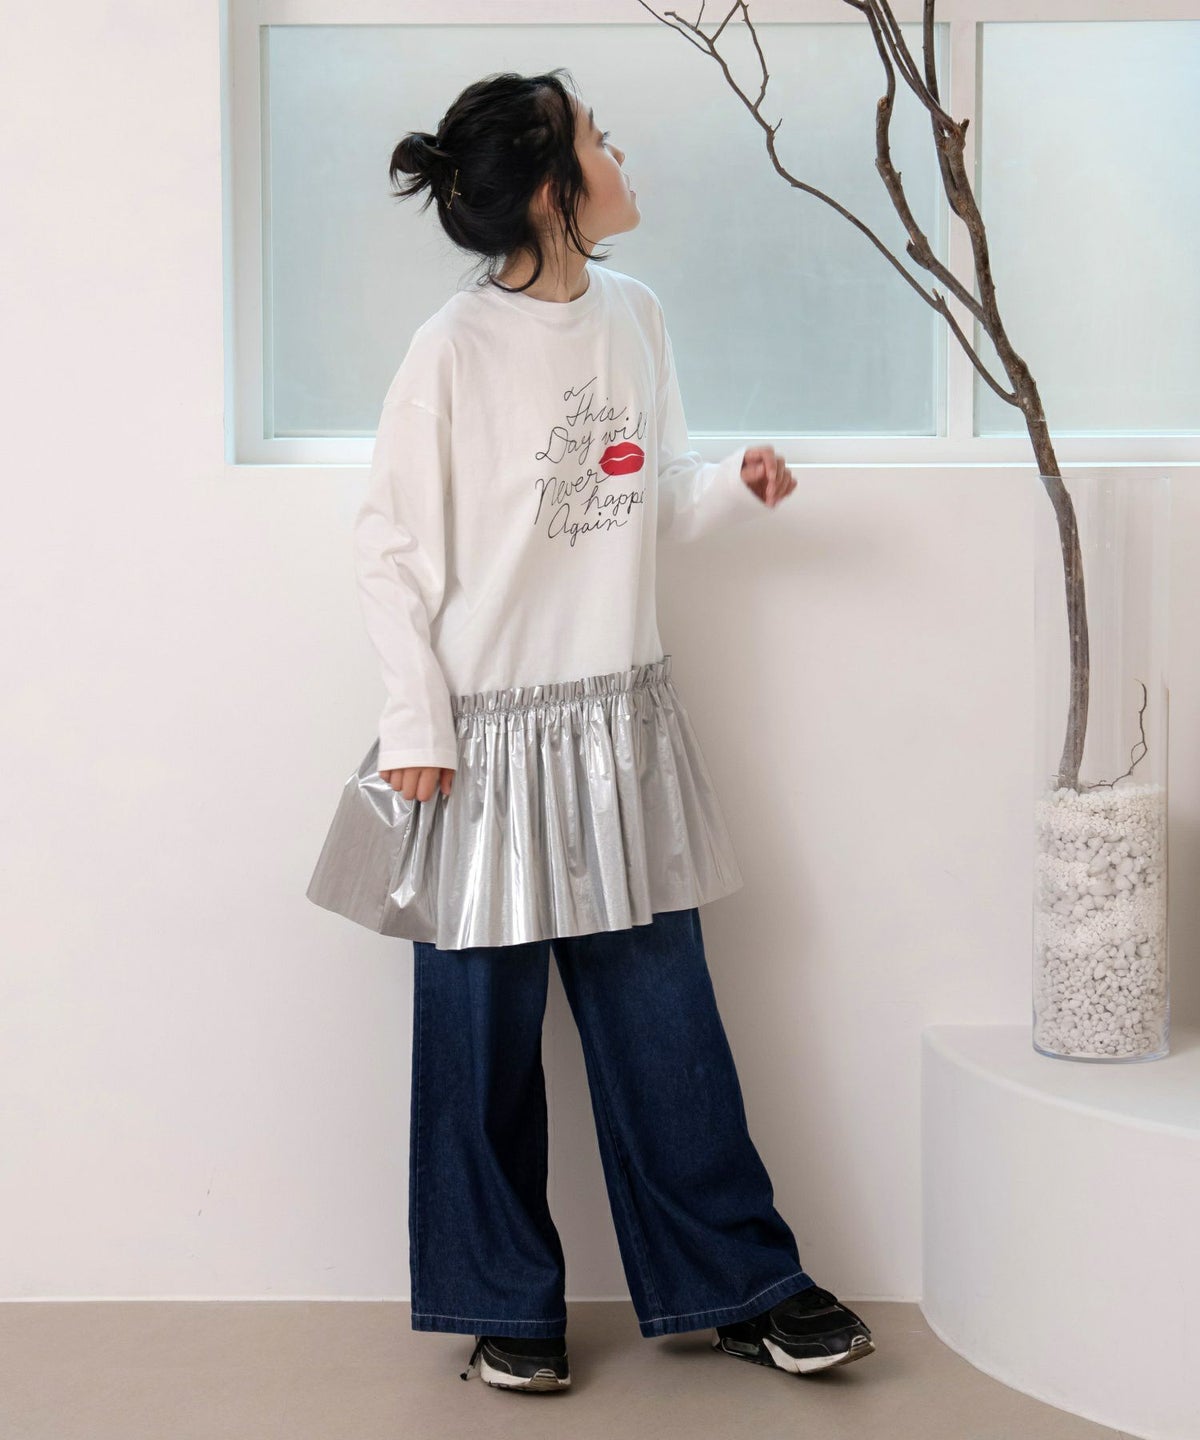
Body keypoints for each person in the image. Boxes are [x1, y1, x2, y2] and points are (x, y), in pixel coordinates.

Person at [306, 68, 875, 1392]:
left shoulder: (636, 317)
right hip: (476, 745)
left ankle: (741, 1281)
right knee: (479, 1042)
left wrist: (731, 485)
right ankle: (505, 1301)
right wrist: (417, 719)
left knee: (664, 1020)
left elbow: (651, 490)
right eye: (601, 142)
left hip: (617, 725)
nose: (624, 158)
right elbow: (389, 546)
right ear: (553, 189)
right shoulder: (452, 350)